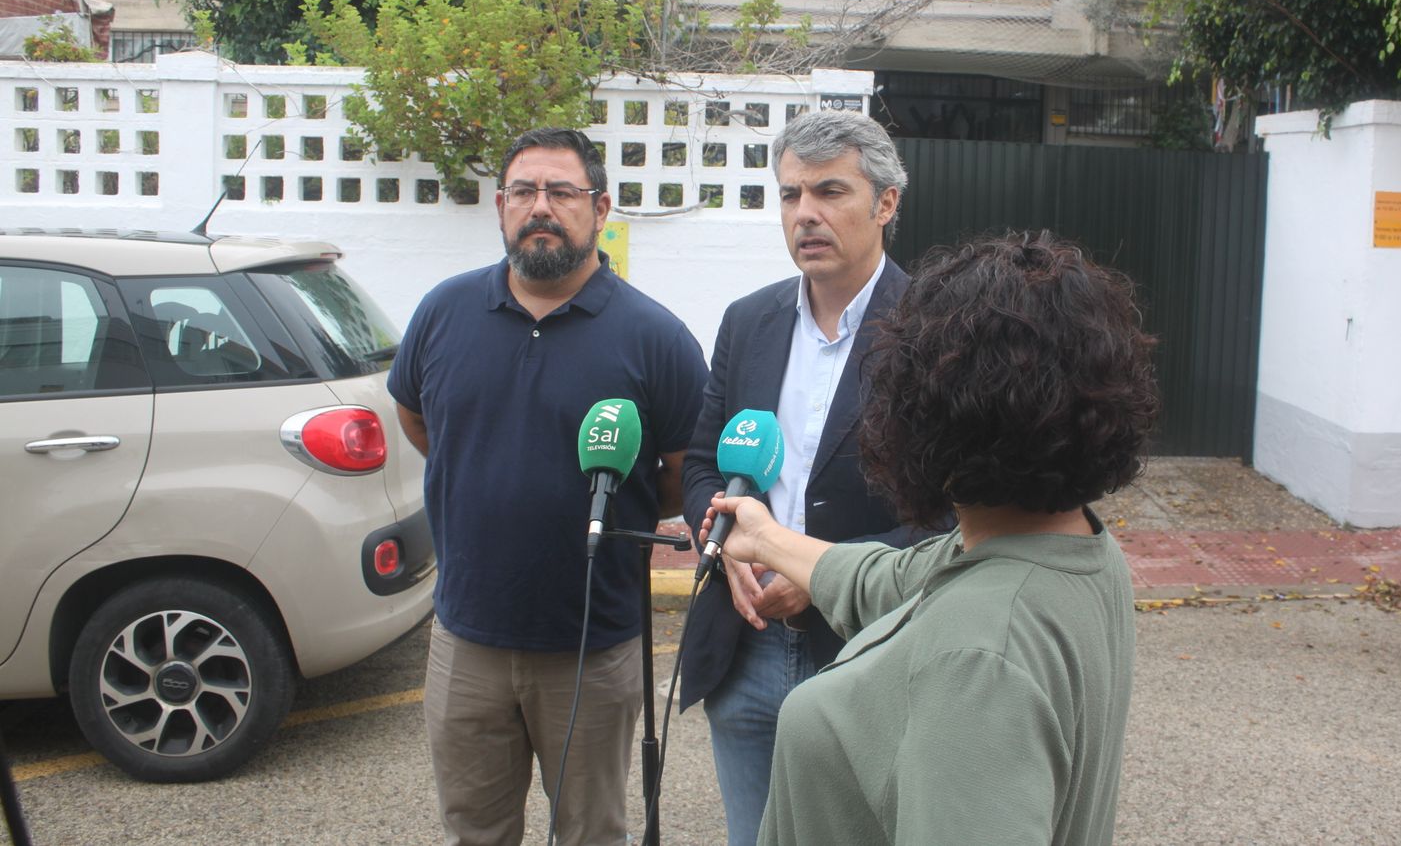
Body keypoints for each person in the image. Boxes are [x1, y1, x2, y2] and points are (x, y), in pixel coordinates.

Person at [702, 232, 1159, 846]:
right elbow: (886, 580)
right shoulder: (1069, 549)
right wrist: (763, 537)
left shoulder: (978, 658)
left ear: (927, 413)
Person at [388, 128, 708, 846]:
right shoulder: (443, 313)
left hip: (592, 646)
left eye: (561, 192)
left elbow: (685, 467)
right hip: (465, 636)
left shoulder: (654, 335)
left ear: (600, 209)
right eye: (525, 192)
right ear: (500, 206)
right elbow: (417, 417)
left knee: (592, 832)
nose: (541, 207)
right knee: (474, 830)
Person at [679, 109, 948, 846]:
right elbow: (703, 464)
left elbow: (955, 512)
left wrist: (827, 571)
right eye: (792, 194)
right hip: (746, 646)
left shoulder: (936, 328)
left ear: (886, 202)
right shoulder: (748, 322)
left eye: (830, 191)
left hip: (870, 648)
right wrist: (727, 534)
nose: (806, 214)